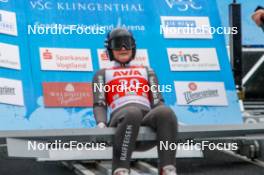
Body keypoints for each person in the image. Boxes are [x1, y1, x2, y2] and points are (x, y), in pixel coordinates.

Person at [92, 28, 178, 175]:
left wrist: (170, 120)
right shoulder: (102, 73)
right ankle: (121, 169)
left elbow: (158, 101)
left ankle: (167, 168)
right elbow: (99, 103)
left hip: (146, 117)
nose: (123, 48)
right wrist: (101, 123)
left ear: (134, 47)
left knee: (166, 112)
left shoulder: (147, 70)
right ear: (109, 49)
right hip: (122, 118)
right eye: (117, 44)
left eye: (127, 43)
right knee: (132, 112)